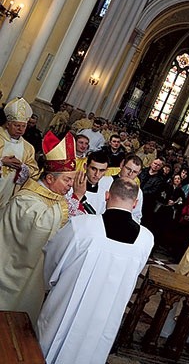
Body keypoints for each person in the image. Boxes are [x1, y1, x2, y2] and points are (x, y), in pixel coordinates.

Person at [37, 178, 154, 364]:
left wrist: (50, 284)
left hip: (66, 305)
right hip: (106, 314)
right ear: (135, 203)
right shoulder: (146, 239)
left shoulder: (82, 226)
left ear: (107, 196)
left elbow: (52, 258)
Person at [0, 131, 77, 322]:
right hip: (11, 271)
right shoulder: (25, 199)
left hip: (31, 276)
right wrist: (74, 201)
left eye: (72, 180)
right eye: (67, 179)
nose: (71, 185)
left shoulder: (54, 198)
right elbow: (39, 228)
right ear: (50, 179)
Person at [0, 97, 40, 207]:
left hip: (9, 193)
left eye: (24, 126)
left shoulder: (28, 148)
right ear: (8, 124)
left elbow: (35, 172)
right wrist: (2, 162)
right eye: (17, 125)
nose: (20, 129)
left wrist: (22, 167)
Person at [94, 154, 144, 221]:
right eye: (128, 169)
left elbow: (136, 215)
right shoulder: (104, 181)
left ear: (139, 173)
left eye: (135, 172)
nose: (130, 174)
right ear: (121, 164)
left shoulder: (138, 192)